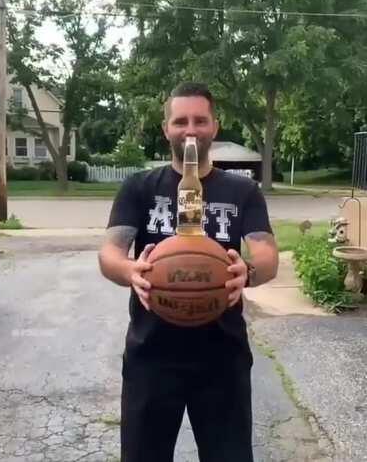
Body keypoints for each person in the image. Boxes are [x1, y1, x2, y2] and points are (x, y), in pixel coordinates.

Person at [98, 82, 279, 462]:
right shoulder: (140, 187)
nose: (191, 130)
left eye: (200, 120)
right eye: (181, 121)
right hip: (152, 357)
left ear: (215, 126)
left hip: (222, 360)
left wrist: (245, 270)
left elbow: (267, 255)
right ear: (166, 129)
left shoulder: (242, 191)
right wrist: (132, 270)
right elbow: (110, 254)